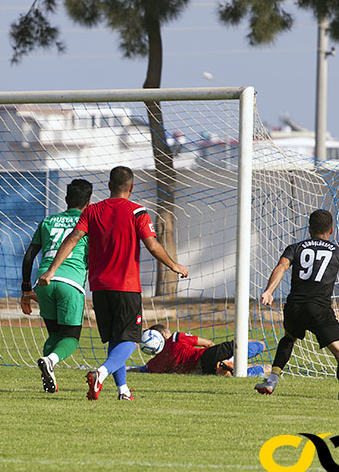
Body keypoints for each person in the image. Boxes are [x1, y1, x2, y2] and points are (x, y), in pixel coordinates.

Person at [38, 166, 188, 400]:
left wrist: (51, 270)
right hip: (126, 287)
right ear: (131, 187)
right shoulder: (138, 211)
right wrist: (173, 265)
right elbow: (152, 245)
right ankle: (101, 373)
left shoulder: (93, 211)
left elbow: (72, 239)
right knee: (130, 340)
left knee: (115, 340)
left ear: (108, 186)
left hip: (99, 288)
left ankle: (123, 390)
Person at [256, 209, 339, 401]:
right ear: (331, 229)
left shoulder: (295, 247)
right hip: (319, 309)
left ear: (309, 229)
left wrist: (269, 291)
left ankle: (271, 380)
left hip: (294, 307)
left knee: (289, 338)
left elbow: (281, 267)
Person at [20, 179, 93, 393]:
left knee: (54, 334)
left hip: (44, 282)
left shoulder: (48, 221)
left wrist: (26, 289)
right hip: (70, 283)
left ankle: (48, 377)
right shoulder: (89, 221)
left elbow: (28, 257)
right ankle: (50, 360)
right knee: (71, 337)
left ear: (65, 199)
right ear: (89, 202)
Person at [133, 324, 270, 377]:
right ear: (163, 335)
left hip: (204, 370)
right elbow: (208, 343)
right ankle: (227, 362)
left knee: (264, 369)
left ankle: (230, 366)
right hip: (207, 356)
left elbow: (139, 369)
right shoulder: (175, 338)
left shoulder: (154, 364)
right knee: (260, 344)